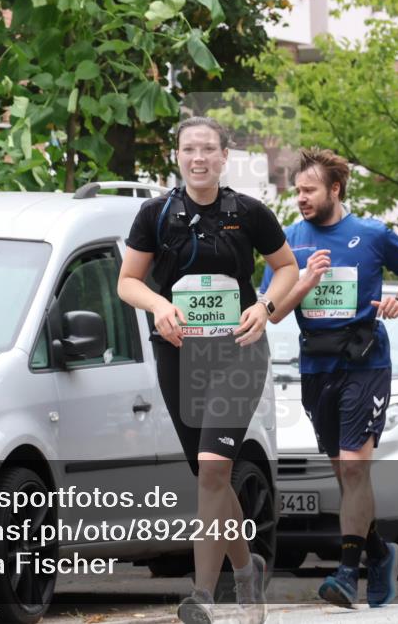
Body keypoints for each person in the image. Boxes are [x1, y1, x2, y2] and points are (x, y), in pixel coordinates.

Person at [118, 116, 298, 624]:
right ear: (176, 157)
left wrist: (263, 307)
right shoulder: (154, 215)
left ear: (224, 157)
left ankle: (201, 595)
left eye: (207, 150)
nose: (198, 158)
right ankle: (247, 567)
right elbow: (127, 282)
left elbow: (288, 268)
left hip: (238, 351)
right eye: (188, 150)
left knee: (216, 470)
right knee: (209, 477)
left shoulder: (248, 212)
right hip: (179, 354)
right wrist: (157, 305)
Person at [261, 148, 398, 608]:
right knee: (344, 474)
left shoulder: (372, 234)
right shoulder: (288, 240)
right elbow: (272, 314)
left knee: (355, 467)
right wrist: (305, 283)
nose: (301, 199)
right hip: (316, 366)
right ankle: (379, 554)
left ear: (335, 189)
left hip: (365, 362)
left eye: (310, 190)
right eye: (297, 191)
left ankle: (346, 573)